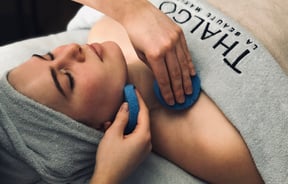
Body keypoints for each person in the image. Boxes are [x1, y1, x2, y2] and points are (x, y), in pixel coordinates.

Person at [1, 0, 288, 183]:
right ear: (99, 129)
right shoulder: (213, 147)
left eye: (49, 56)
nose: (70, 50)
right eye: (67, 79)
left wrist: (131, 9)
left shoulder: (105, 30)